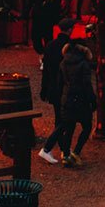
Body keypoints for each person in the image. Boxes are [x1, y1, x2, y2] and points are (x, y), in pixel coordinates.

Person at [39, 34, 96, 166]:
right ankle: (75, 153)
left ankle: (64, 154)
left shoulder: (63, 62)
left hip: (67, 99)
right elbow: (87, 85)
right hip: (81, 100)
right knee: (86, 127)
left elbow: (60, 83)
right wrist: (93, 100)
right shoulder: (83, 64)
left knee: (66, 126)